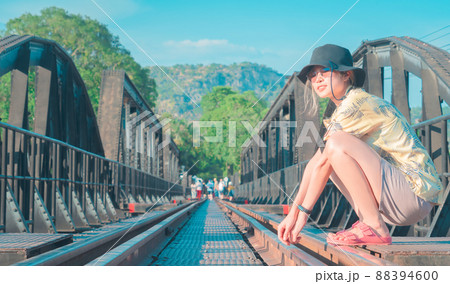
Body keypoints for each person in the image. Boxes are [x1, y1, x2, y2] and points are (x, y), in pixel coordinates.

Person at [277, 44, 444, 246]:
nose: (317, 79)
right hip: (398, 198)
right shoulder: (339, 113)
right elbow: (315, 164)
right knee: (330, 155)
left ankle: (374, 225)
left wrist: (302, 215)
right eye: (313, 75)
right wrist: (293, 212)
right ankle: (368, 222)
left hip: (413, 193)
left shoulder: (358, 104)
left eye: (325, 71)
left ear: (346, 75)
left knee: (335, 145)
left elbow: (321, 162)